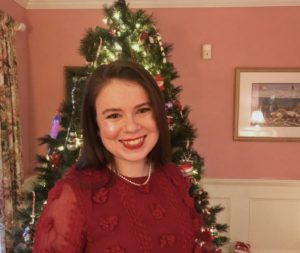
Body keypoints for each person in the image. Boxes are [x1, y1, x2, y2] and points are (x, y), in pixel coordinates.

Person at [32, 60, 215, 253]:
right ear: (96, 126)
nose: (132, 127)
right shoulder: (72, 196)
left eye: (142, 110)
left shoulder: (173, 177)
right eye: (114, 115)